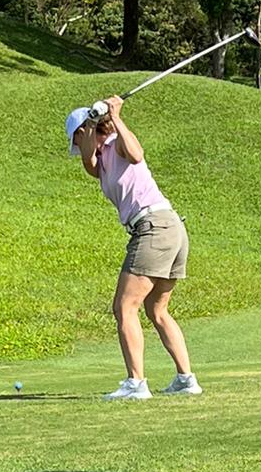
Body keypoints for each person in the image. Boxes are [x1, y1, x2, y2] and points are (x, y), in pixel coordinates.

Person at [64, 94, 202, 401]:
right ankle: (185, 380)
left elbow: (137, 155)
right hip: (168, 229)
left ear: (85, 132)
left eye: (77, 140)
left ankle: (136, 384)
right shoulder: (99, 165)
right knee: (156, 309)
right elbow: (88, 161)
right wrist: (97, 121)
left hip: (155, 227)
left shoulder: (118, 145)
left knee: (124, 306)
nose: (79, 148)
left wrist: (115, 116)